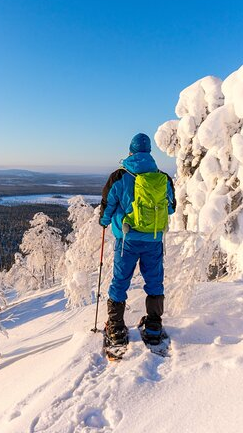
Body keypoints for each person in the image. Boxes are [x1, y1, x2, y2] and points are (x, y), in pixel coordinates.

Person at [99, 133, 176, 347]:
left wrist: (104, 222)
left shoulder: (120, 176)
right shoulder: (162, 178)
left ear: (131, 151)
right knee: (154, 280)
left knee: (120, 280)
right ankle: (153, 326)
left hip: (127, 240)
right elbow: (171, 208)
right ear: (149, 151)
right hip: (153, 239)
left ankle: (115, 327)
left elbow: (108, 204)